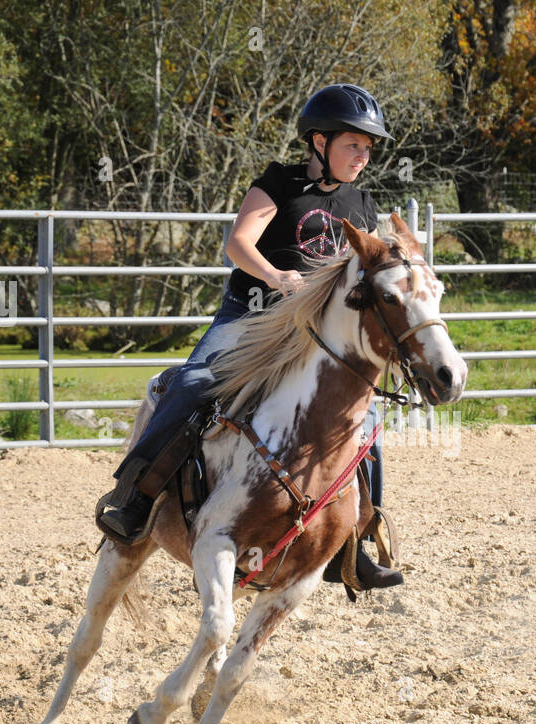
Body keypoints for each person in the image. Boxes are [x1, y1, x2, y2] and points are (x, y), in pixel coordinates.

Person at [96, 83, 401, 591]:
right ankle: (134, 498)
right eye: (354, 145)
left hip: (312, 334)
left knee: (364, 419)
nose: (363, 156)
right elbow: (238, 243)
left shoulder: (362, 204)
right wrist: (276, 276)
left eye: (368, 148)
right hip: (250, 316)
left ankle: (356, 542)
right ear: (320, 143)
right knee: (193, 383)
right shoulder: (278, 184)